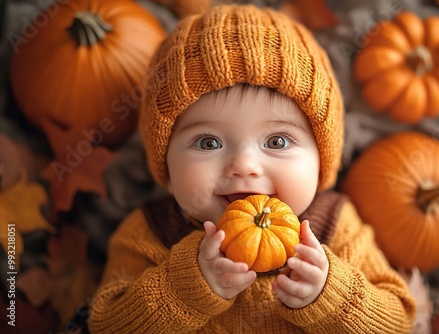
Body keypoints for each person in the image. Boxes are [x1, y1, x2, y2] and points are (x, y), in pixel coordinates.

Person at [88, 4, 416, 333]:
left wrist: (333, 295)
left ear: (321, 161)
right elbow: (106, 325)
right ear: (166, 167)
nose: (244, 166)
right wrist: (183, 290)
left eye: (276, 142)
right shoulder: (151, 233)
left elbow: (399, 322)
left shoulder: (334, 229)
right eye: (208, 143)